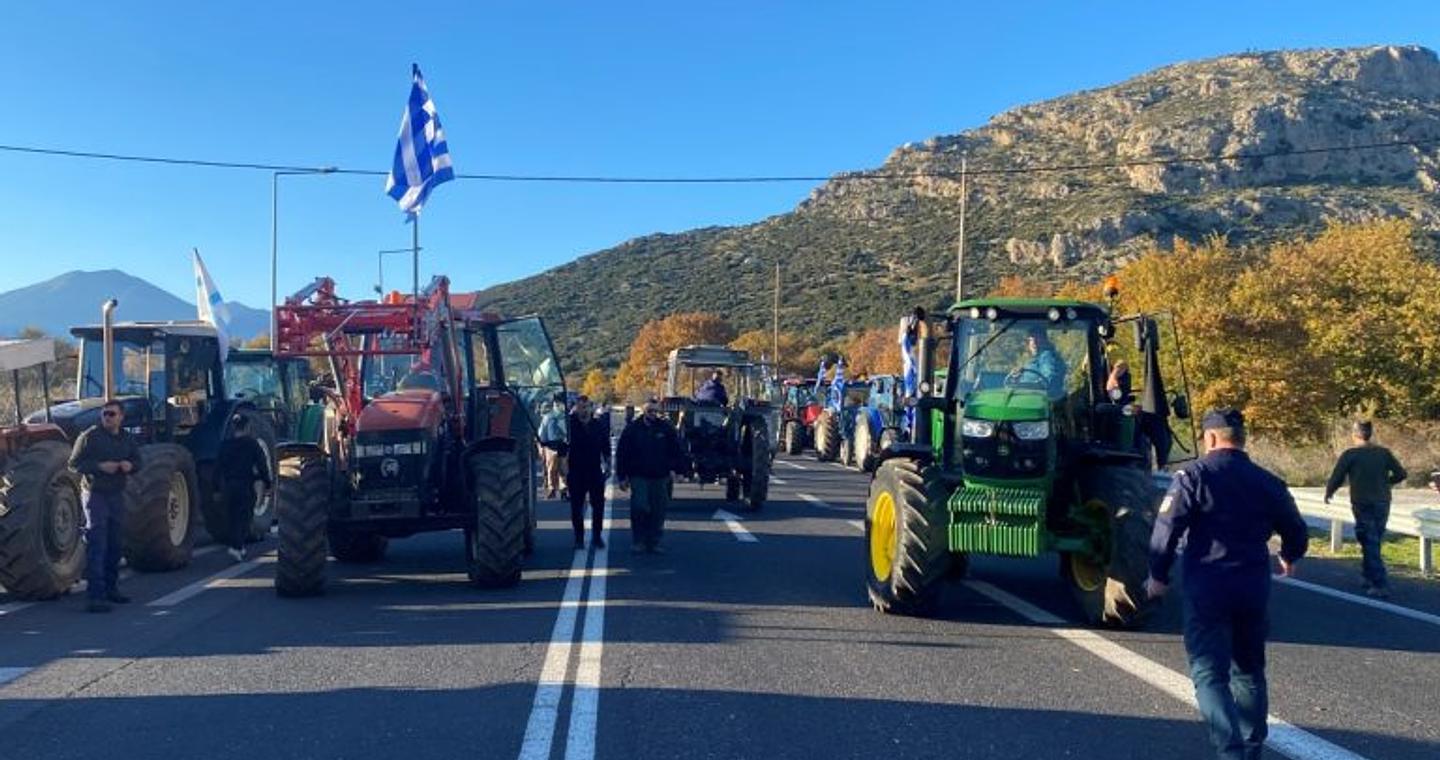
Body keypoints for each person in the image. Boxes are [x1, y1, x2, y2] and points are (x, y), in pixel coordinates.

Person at [1146, 408, 1308, 760]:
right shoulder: (1268, 481)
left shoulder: (1193, 475)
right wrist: (1291, 555)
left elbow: (1166, 530)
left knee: (1208, 674)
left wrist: (1158, 575)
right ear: (1240, 438)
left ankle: (1229, 750)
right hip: (1252, 586)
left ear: (1212, 437)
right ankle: (1251, 749)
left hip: (1207, 585)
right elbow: (1295, 528)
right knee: (1249, 671)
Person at [67, 399, 142, 613]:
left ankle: (111, 588)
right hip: (95, 494)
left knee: (115, 543)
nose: (107, 417)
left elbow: (138, 461)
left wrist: (130, 466)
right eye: (104, 414)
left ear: (121, 417)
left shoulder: (127, 439)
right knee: (97, 542)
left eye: (111, 414)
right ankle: (95, 595)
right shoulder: (90, 437)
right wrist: (99, 467)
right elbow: (73, 464)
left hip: (116, 493)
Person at [1324, 420, 1407, 598]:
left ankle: (1380, 582)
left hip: (1362, 502)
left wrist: (1329, 492)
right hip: (1383, 501)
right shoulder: (1383, 453)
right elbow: (1401, 474)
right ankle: (1368, 575)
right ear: (1370, 434)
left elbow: (1337, 476)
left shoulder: (1351, 454)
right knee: (1373, 539)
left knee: (1369, 540)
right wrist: (1387, 483)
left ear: (1355, 434)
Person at [616, 398, 688, 554]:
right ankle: (639, 540)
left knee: (658, 510)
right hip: (639, 475)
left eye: (656, 411)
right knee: (640, 506)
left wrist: (680, 470)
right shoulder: (632, 429)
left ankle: (654, 541)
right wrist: (622, 477)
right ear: (643, 411)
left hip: (660, 476)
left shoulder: (666, 428)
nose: (653, 414)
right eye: (650, 411)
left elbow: (676, 450)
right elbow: (622, 453)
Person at [217, 414, 273, 562]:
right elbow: (262, 465)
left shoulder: (225, 445)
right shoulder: (252, 444)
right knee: (245, 516)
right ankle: (237, 546)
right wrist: (267, 483)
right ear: (247, 427)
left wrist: (216, 488)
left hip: (229, 486)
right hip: (245, 485)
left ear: (234, 427)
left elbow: (218, 468)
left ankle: (236, 545)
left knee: (232, 516)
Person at [566, 395, 611, 550]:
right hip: (575, 471)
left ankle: (597, 537)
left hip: (594, 470)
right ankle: (579, 538)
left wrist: (609, 465)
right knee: (576, 507)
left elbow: (606, 446)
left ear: (591, 408)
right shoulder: (569, 425)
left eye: (586, 407)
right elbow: (562, 449)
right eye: (580, 407)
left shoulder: (598, 425)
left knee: (598, 506)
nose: (583, 410)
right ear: (576, 408)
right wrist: (562, 469)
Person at [1010, 327, 1066, 398]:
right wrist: (1018, 377)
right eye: (1031, 340)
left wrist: (1032, 386)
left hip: (1038, 399)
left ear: (1045, 340)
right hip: (1026, 397)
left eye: (1038, 339)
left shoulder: (1047, 356)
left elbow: (1049, 379)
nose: (1034, 343)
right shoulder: (1036, 360)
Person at [538, 398, 569, 499]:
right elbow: (543, 431)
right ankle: (552, 489)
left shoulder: (566, 417)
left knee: (563, 468)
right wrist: (542, 442)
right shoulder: (549, 417)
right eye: (558, 403)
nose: (560, 405)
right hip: (551, 445)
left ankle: (563, 489)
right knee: (551, 468)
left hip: (563, 444)